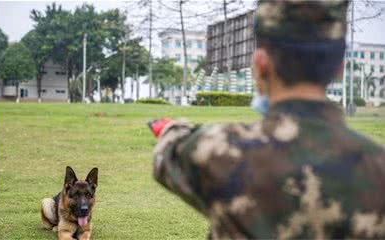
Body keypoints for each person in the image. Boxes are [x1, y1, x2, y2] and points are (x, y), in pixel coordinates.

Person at [149, 1, 385, 239]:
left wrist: (170, 127)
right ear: (339, 69)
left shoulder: (218, 151)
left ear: (260, 65)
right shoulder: (379, 167)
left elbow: (167, 151)